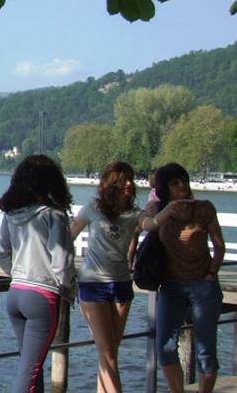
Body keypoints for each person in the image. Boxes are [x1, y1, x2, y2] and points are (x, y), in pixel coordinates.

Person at [139, 162, 224, 393]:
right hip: (171, 286)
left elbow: (219, 245)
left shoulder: (204, 208)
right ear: (166, 188)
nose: (182, 186)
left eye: (183, 181)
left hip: (202, 286)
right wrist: (165, 210)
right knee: (164, 346)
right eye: (175, 183)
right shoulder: (158, 209)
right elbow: (144, 224)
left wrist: (211, 273)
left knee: (205, 349)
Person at [0, 155, 76, 393]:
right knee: (30, 370)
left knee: (30, 365)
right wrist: (67, 287)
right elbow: (62, 261)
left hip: (16, 294)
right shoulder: (54, 216)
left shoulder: (10, 214)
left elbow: (2, 254)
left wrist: (18, 274)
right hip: (42, 296)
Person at [69, 161, 141, 393]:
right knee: (109, 354)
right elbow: (67, 237)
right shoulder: (93, 207)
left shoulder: (134, 213)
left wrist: (164, 211)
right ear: (111, 183)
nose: (129, 183)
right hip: (93, 284)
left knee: (109, 353)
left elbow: (150, 224)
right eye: (123, 179)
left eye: (130, 178)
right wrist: (65, 270)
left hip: (121, 284)